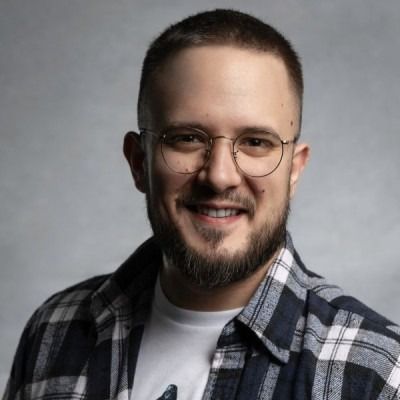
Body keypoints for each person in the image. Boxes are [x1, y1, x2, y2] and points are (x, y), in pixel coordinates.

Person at [3, 9, 400, 400]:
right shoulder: (53, 331)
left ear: (293, 171)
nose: (220, 176)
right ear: (139, 162)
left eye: (255, 142)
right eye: (188, 138)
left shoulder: (378, 375)